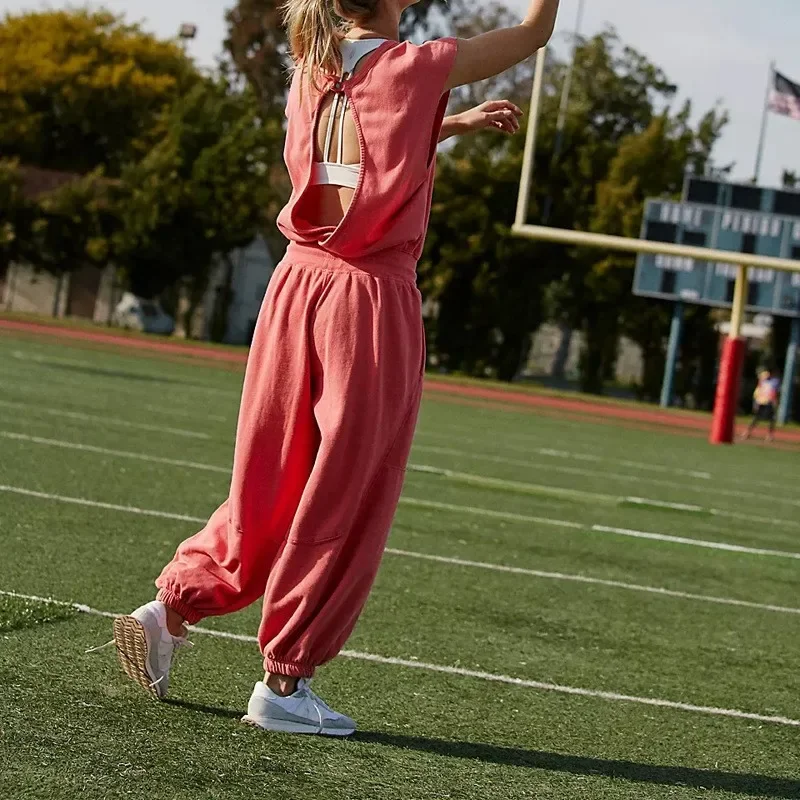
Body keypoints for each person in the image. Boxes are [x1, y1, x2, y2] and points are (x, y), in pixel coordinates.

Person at [110, 0, 561, 736]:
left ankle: (171, 606)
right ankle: (286, 682)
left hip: (295, 287)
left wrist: (449, 126)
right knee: (346, 491)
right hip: (366, 299)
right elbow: (535, 32)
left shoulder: (312, 66)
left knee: (267, 475)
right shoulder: (418, 66)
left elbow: (347, 154)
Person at [742, 368, 780, 442]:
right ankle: (748, 432)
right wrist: (756, 402)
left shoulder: (774, 382)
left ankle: (769, 435)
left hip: (768, 402)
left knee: (771, 419)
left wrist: (774, 401)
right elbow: (757, 393)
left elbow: (773, 392)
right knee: (756, 418)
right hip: (761, 401)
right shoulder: (762, 383)